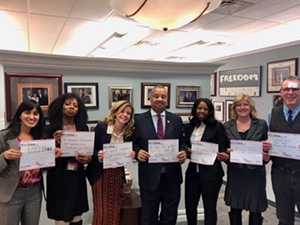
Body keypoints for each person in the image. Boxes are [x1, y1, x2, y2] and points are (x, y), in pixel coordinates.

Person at [0, 100, 62, 225]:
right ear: (19, 115)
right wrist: (4, 157)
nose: (32, 117)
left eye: (36, 114)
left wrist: (51, 158)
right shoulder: (5, 136)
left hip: (34, 192)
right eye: (27, 113)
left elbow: (41, 168)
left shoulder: (41, 138)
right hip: (11, 192)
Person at [133, 85, 187, 225]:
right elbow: (132, 143)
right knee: (148, 217)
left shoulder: (176, 120)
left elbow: (182, 143)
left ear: (167, 99)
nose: (159, 99)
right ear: (150, 98)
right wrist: (138, 152)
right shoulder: (138, 120)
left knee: (169, 217)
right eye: (156, 96)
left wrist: (184, 152)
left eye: (163, 96)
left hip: (172, 178)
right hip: (149, 178)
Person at [86, 100, 135, 225]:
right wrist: (98, 155)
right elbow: (91, 148)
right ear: (115, 112)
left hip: (117, 174)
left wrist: (132, 154)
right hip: (100, 174)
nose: (125, 115)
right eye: (122, 111)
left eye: (128, 113)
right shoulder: (103, 127)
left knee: (114, 210)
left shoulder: (128, 133)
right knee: (101, 211)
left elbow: (129, 152)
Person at [223, 93, 270, 225]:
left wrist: (266, 155)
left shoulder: (261, 124)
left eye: (245, 104)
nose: (242, 107)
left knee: (256, 211)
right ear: (234, 108)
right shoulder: (227, 126)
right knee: (235, 209)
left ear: (251, 107)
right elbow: (223, 149)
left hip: (255, 174)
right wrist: (227, 153)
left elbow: (267, 147)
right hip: (236, 173)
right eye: (239, 105)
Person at [46, 93, 91, 225]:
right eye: (67, 104)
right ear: (60, 107)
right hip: (58, 176)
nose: (72, 107)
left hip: (77, 175)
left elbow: (89, 154)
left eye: (75, 105)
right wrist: (54, 142)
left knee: (77, 215)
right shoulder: (50, 129)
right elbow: (42, 156)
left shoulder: (83, 128)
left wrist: (87, 159)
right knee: (60, 216)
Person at [184, 98, 229, 225]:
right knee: (190, 206)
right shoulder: (189, 127)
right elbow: (184, 146)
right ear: (195, 110)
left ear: (209, 111)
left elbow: (223, 147)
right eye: (199, 108)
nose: (202, 111)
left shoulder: (217, 126)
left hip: (212, 174)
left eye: (205, 109)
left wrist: (223, 154)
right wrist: (186, 151)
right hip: (193, 172)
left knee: (209, 208)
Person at [265, 76, 300, 224]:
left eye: (295, 89)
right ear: (281, 92)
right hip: (280, 174)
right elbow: (270, 140)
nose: (290, 92)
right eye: (287, 89)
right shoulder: (272, 113)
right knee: (284, 217)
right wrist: (266, 150)